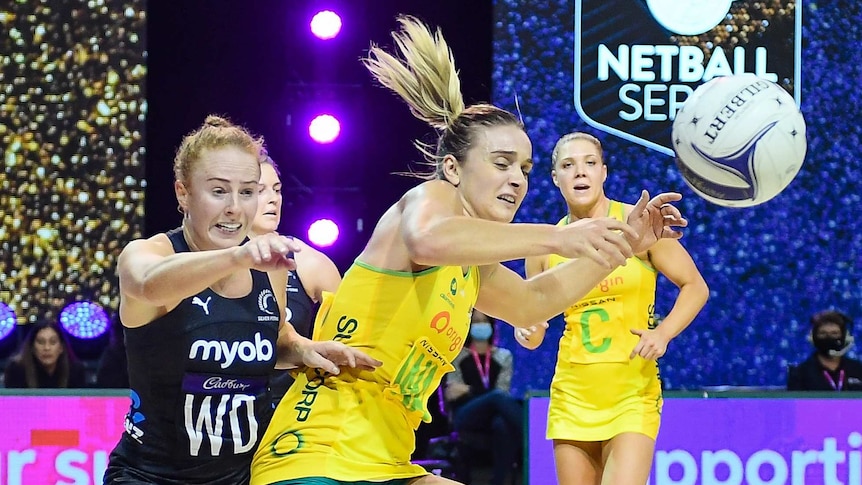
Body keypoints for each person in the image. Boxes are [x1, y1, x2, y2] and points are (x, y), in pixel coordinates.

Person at [251, 16, 688, 485]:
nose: (517, 179)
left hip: (384, 464)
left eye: (524, 167)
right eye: (501, 164)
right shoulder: (430, 200)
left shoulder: (472, 261)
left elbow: (532, 302)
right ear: (453, 169)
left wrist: (623, 245)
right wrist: (559, 237)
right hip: (320, 456)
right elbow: (428, 240)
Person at [102, 115, 380, 485]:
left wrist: (305, 350)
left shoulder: (271, 268)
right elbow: (149, 286)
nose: (235, 207)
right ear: (182, 193)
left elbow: (275, 337)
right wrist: (238, 257)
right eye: (218, 191)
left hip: (244, 475)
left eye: (247, 191)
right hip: (150, 476)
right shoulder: (147, 254)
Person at [514, 131, 709, 485]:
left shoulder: (637, 225)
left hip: (632, 392)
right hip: (572, 394)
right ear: (555, 177)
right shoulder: (546, 244)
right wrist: (527, 330)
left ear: (604, 172)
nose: (580, 173)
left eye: (590, 163)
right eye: (568, 165)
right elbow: (533, 324)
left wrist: (663, 333)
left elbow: (695, 286)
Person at [251, 149, 342, 406]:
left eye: (277, 190)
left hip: (289, 416)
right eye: (260, 191)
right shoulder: (212, 261)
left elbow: (351, 336)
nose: (273, 200)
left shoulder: (309, 262)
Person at [445, 310, 522, 485]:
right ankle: (532, 436)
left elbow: (503, 390)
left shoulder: (502, 357)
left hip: (492, 415)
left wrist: (469, 390)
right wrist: (483, 394)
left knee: (501, 425)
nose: (480, 325)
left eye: (484, 321)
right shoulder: (458, 356)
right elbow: (452, 392)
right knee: (496, 398)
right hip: (465, 414)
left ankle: (498, 481)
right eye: (476, 321)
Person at [787, 310, 862, 391]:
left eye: (834, 333)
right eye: (823, 333)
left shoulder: (858, 369)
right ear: (814, 338)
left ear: (844, 337)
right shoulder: (800, 373)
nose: (829, 337)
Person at [3, 320, 86, 388]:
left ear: (61, 348)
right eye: (41, 342)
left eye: (53, 342)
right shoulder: (17, 370)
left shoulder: (75, 370)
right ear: (32, 347)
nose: (47, 348)